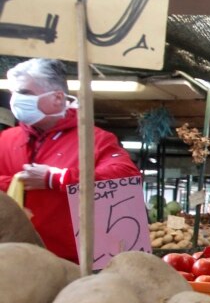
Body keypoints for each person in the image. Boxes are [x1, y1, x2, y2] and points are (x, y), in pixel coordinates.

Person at [0, 58, 141, 262]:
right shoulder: (6, 139)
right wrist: (15, 183)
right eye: (13, 92)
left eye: (25, 93)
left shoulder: (95, 140)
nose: (15, 100)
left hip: (73, 263)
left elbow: (126, 178)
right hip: (11, 259)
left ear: (57, 98)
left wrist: (58, 178)